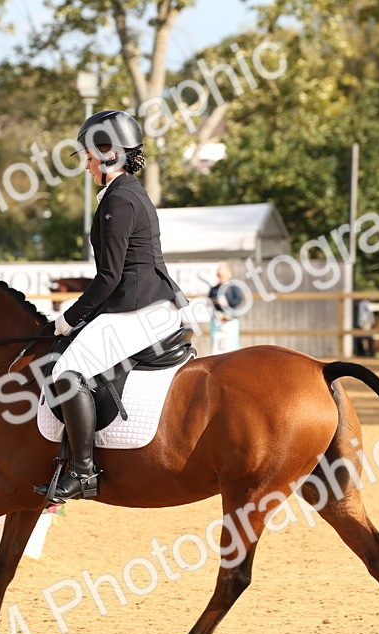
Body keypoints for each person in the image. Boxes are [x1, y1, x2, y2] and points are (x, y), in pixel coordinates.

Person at [34, 110, 187, 503]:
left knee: (66, 372)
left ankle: (83, 473)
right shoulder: (125, 193)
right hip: (146, 303)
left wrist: (69, 318)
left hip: (137, 309)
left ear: (109, 155)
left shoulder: (119, 201)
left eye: (88, 156)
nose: (85, 165)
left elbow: (109, 278)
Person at [208, 264, 245, 354]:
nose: (220, 277)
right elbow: (209, 300)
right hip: (217, 320)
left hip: (231, 320)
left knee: (232, 343)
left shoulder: (233, 288)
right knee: (216, 342)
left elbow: (238, 300)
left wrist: (227, 302)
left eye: (222, 275)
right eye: (219, 275)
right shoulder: (214, 289)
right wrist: (216, 302)